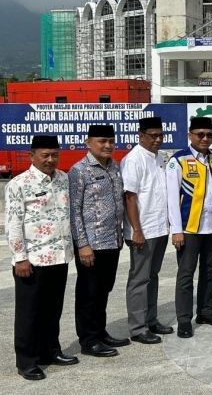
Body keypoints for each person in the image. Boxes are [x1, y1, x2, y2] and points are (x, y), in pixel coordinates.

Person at [5, 135, 78, 381]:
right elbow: (13, 224)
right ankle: (26, 361)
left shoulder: (63, 179)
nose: (50, 159)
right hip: (33, 260)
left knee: (53, 309)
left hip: (59, 256)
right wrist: (20, 258)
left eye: (54, 155)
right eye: (45, 155)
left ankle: (50, 351)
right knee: (29, 313)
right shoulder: (18, 184)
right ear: (32, 156)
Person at [69, 125, 128, 358]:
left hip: (112, 241)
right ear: (88, 142)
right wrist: (82, 244)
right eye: (102, 141)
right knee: (88, 293)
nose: (107, 145)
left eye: (111, 141)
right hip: (90, 245)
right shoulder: (79, 171)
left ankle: (100, 331)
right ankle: (88, 340)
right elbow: (74, 211)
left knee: (104, 290)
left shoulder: (114, 167)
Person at [167, 116, 212, 338]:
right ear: (190, 135)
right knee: (186, 275)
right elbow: (172, 198)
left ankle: (205, 311)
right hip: (189, 229)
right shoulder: (179, 160)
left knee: (209, 271)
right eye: (200, 134)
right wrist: (176, 230)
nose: (205, 138)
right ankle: (184, 319)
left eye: (209, 135)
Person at [121, 116, 172, 344]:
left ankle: (151, 320)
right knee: (139, 279)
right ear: (141, 136)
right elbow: (129, 197)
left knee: (153, 276)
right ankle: (138, 327)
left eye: (161, 135)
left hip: (159, 227)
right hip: (143, 230)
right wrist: (136, 231)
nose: (158, 140)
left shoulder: (158, 157)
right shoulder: (134, 160)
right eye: (153, 136)